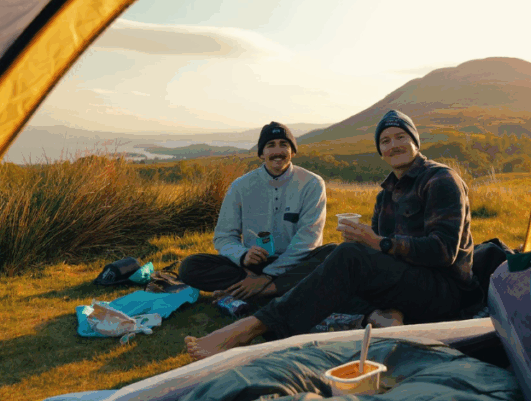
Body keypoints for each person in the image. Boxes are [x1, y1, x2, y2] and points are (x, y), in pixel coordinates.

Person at [185, 110, 483, 360]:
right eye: (385, 140)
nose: (393, 145)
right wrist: (368, 246)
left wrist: (377, 244)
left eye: (400, 137)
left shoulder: (441, 179)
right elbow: (224, 237)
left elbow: (443, 252)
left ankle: (250, 327)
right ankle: (380, 314)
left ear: (415, 141)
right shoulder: (387, 192)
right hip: (403, 283)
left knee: (342, 259)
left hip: (444, 291)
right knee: (336, 259)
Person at [177, 122, 328, 302]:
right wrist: (243, 256)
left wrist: (268, 276)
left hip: (295, 263)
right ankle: (270, 289)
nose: (277, 151)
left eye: (284, 145)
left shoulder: (312, 183)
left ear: (293, 151)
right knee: (190, 266)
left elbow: (308, 241)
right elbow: (224, 236)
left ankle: (257, 291)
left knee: (331, 254)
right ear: (261, 153)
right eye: (270, 145)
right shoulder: (241, 186)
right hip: (252, 266)